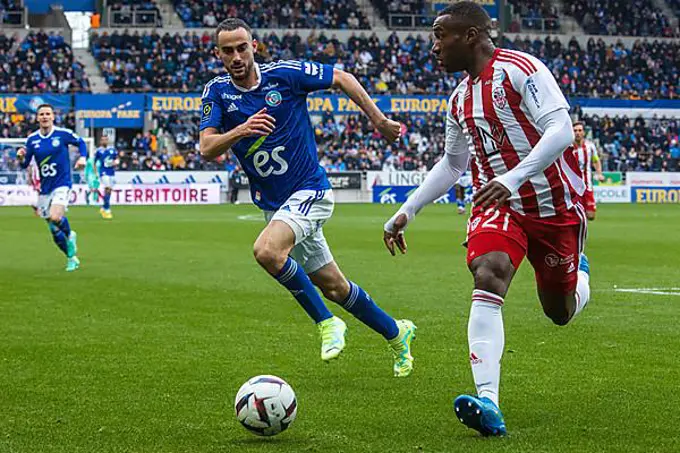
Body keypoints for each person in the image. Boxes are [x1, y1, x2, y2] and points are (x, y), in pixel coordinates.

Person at [383, 2, 591, 435]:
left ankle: (581, 278)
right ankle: (488, 403)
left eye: (441, 36)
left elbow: (559, 129)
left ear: (472, 35)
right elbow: (452, 164)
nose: (434, 46)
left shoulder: (521, 70)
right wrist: (409, 208)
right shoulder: (458, 99)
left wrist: (514, 177)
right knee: (488, 272)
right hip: (499, 205)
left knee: (560, 312)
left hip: (553, 207)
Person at [200, 18, 417, 376]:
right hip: (275, 206)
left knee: (267, 252)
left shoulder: (285, 75)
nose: (236, 56)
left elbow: (342, 77)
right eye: (227, 51)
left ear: (253, 46)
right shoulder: (217, 92)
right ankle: (397, 334)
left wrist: (378, 121)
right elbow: (207, 147)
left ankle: (327, 323)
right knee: (334, 286)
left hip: (310, 191)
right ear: (217, 54)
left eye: (242, 47)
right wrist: (241, 129)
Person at [17, 104, 87, 272]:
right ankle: (71, 257)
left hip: (62, 184)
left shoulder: (63, 134)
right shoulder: (32, 139)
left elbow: (81, 142)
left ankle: (70, 235)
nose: (45, 117)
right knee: (54, 230)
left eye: (48, 114)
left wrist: (83, 157)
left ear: (53, 117)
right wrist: (20, 157)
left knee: (56, 217)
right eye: (41, 114)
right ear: (37, 118)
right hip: (45, 188)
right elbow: (25, 164)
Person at [572, 122, 604, 220]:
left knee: (591, 215)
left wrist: (599, 173)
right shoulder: (568, 146)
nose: (577, 133)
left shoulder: (590, 146)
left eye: (580, 130)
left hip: (587, 184)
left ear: (584, 133)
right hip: (572, 186)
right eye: (575, 131)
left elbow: (595, 161)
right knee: (575, 215)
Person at [94, 135, 118, 219]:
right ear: (100, 141)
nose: (104, 141)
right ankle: (107, 210)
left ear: (108, 141)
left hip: (111, 172)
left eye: (105, 140)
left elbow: (116, 159)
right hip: (103, 172)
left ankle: (104, 207)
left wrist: (116, 163)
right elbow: (94, 162)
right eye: (102, 140)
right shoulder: (99, 151)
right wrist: (96, 172)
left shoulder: (112, 150)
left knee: (109, 191)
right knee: (107, 188)